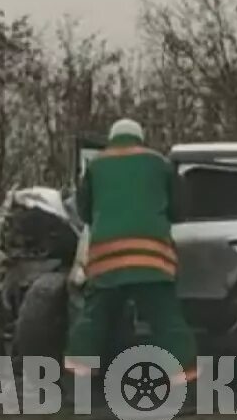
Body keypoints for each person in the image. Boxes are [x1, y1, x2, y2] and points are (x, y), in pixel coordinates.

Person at [64, 118, 199, 386]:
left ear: (112, 137)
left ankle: (77, 388)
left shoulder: (95, 166)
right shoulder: (160, 163)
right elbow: (179, 208)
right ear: (140, 137)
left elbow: (83, 211)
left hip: (106, 261)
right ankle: (186, 385)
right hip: (151, 259)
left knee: (92, 321)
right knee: (168, 322)